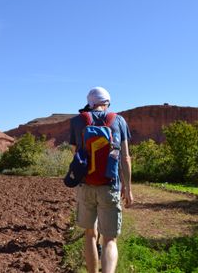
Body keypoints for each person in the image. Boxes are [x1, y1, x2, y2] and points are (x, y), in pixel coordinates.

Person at [69, 86, 134, 273]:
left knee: (90, 234)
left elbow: (76, 157)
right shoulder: (119, 120)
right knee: (110, 239)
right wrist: (128, 188)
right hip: (110, 185)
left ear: (90, 103)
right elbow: (125, 158)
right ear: (107, 103)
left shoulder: (77, 121)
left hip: (85, 186)